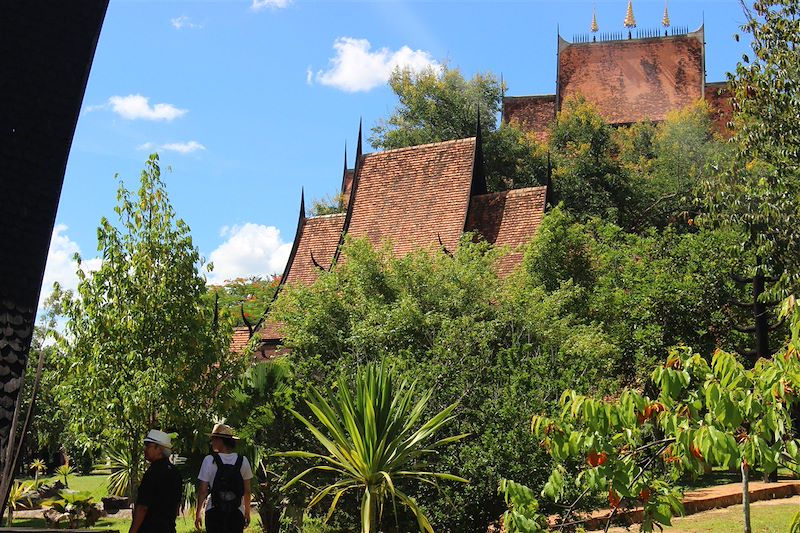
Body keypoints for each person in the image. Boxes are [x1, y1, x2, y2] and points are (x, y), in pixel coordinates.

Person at [195, 423, 253, 532]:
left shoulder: (209, 460)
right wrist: (247, 512)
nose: (211, 442)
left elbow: (203, 490)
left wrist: (198, 513)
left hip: (214, 511)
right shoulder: (243, 461)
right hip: (236, 512)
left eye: (213, 439)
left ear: (220, 440)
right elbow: (247, 491)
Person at [129, 429, 182, 533]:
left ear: (159, 449)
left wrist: (133, 530)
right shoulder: (175, 472)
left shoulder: (153, 472)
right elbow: (176, 506)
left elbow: (143, 507)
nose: (145, 449)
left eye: (148, 445)